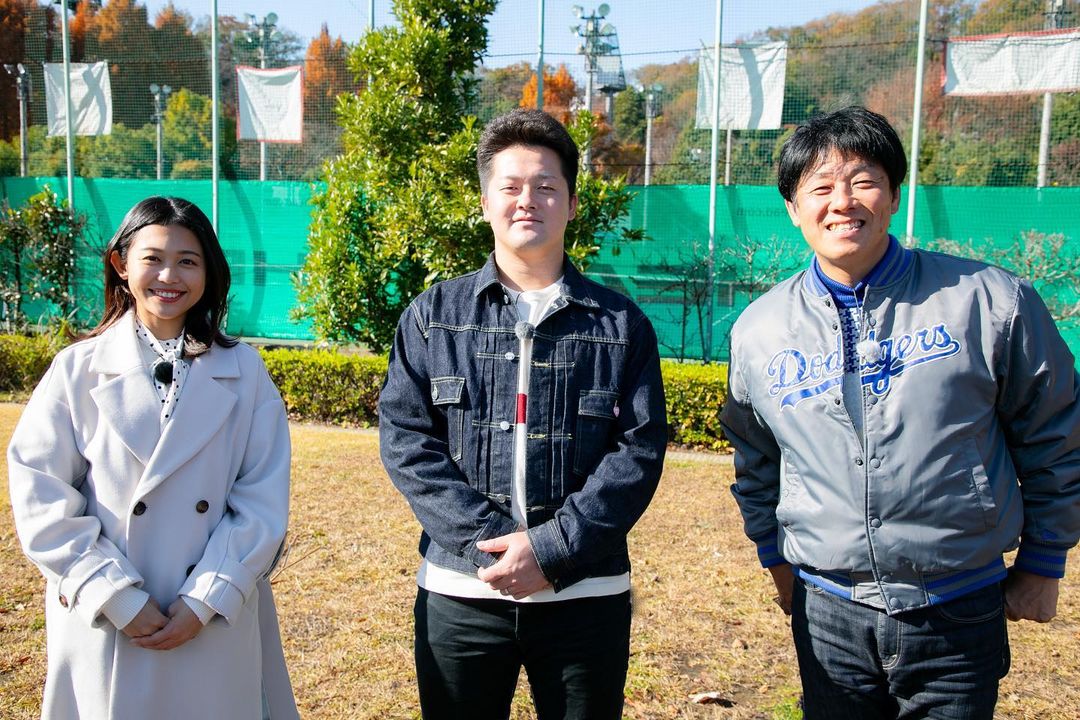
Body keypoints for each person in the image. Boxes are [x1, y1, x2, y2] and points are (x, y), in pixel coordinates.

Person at [720, 105, 1080, 719]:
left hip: (958, 604)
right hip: (827, 610)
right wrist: (775, 560)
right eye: (820, 188)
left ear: (892, 195)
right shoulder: (759, 331)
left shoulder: (990, 300)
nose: (843, 202)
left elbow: (1056, 431)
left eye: (863, 181)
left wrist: (1045, 560)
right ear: (792, 208)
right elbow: (756, 462)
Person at [378, 108, 667, 719]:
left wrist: (552, 549)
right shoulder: (433, 316)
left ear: (572, 203)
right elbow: (406, 440)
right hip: (461, 591)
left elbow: (638, 451)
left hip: (586, 594)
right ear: (486, 202)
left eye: (546, 186)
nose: (527, 200)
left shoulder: (621, 325)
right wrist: (489, 546)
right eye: (510, 186)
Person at [7, 196, 298, 719]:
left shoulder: (245, 370)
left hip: (211, 618)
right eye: (153, 258)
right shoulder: (76, 369)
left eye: (188, 260)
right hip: (108, 620)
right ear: (121, 264)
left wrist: (206, 597)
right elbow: (41, 495)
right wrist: (115, 596)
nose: (169, 276)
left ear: (209, 272)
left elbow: (261, 500)